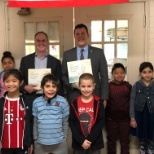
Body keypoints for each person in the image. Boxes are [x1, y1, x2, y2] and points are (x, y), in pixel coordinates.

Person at [62, 23, 108, 107]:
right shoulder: (67, 54)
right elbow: (63, 75)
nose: (80, 36)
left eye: (83, 33)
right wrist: (72, 85)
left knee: (94, 119)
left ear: (88, 35)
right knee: (75, 120)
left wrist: (104, 98)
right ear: (74, 37)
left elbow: (104, 76)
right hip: (74, 95)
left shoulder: (99, 53)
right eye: (77, 34)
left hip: (95, 95)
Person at [32, 74, 69, 154]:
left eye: (54, 86)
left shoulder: (62, 101)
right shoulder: (36, 102)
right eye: (47, 86)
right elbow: (35, 123)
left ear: (57, 88)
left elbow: (65, 122)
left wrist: (65, 138)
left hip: (59, 143)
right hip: (41, 143)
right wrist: (35, 139)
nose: (51, 89)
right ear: (42, 87)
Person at [19, 31, 63, 99]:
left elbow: (59, 83)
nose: (41, 43)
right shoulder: (25, 60)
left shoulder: (56, 62)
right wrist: (25, 87)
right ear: (35, 42)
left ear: (47, 43)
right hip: (30, 98)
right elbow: (19, 79)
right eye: (38, 41)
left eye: (43, 40)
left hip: (50, 98)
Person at [69, 73, 105, 154]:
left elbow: (101, 122)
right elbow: (72, 122)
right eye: (83, 86)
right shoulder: (73, 103)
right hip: (79, 143)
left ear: (94, 86)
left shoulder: (99, 102)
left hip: (94, 142)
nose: (86, 89)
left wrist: (89, 140)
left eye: (89, 86)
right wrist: (81, 141)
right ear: (79, 86)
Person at [0, 69, 33, 154]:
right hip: (4, 146)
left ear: (21, 82)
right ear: (3, 83)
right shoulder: (1, 103)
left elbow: (31, 123)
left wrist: (30, 142)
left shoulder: (27, 101)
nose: (11, 84)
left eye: (14, 81)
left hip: (22, 145)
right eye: (7, 81)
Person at [105, 63, 132, 154]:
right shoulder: (108, 86)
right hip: (111, 119)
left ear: (125, 73)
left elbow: (132, 103)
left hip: (125, 120)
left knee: (125, 141)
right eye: (116, 73)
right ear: (112, 74)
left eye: (122, 73)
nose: (119, 75)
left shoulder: (128, 86)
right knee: (111, 141)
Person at [130, 62, 154, 154]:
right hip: (140, 115)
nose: (147, 74)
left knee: (151, 136)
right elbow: (132, 101)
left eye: (149, 71)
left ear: (152, 72)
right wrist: (132, 118)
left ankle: (151, 149)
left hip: (152, 115)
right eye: (144, 72)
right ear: (140, 73)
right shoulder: (136, 85)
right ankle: (142, 150)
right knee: (142, 137)